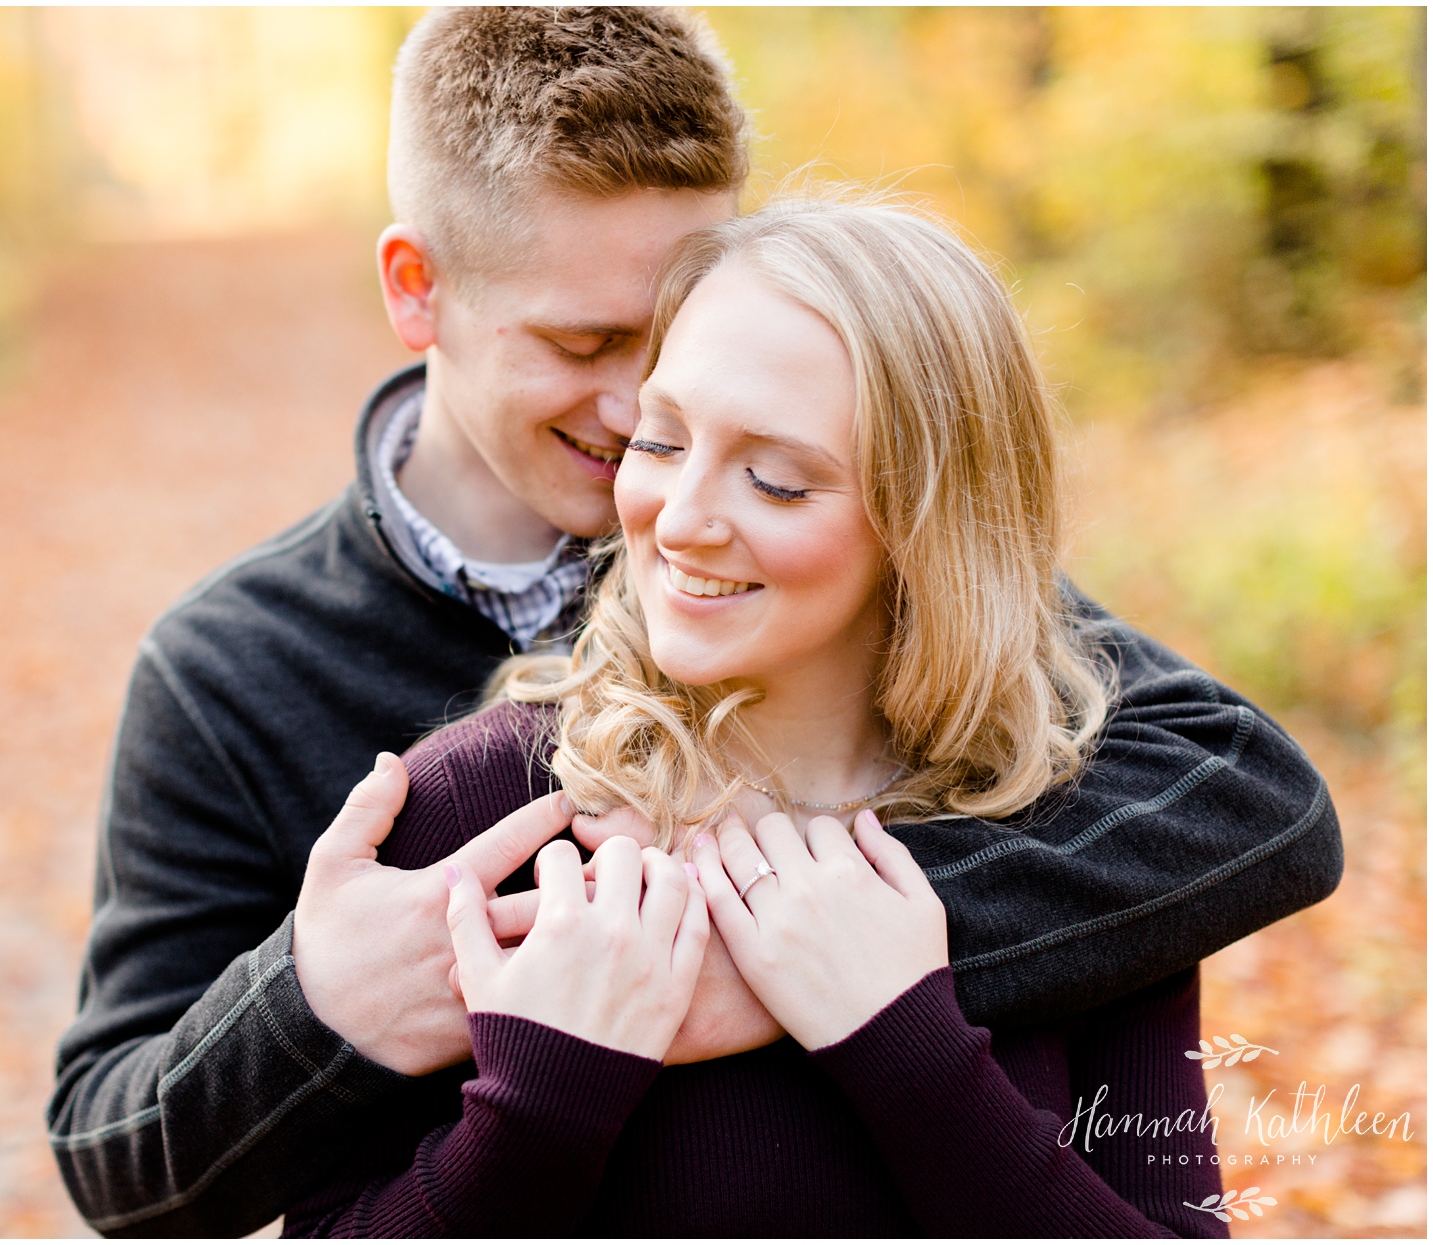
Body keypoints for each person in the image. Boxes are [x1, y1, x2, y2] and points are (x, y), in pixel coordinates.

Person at [47, 8, 1340, 1237]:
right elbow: (125, 1158)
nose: (643, 454)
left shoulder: (1029, 761)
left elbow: (1241, 784)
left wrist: (839, 969)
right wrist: (322, 1007)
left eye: (676, 334)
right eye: (592, 343)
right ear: (418, 288)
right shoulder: (283, 701)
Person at [285, 192, 1238, 1238]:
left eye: (776, 482)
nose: (681, 519)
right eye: (660, 442)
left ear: (930, 524)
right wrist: (541, 1108)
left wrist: (905, 1050)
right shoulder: (492, 816)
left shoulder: (1082, 836)